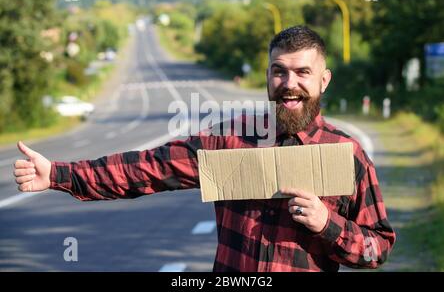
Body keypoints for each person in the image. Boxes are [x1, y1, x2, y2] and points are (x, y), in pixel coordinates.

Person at [13, 25, 395, 272]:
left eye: (302, 73)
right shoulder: (228, 141)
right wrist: (59, 175)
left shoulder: (347, 154)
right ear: (267, 76)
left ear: (324, 81)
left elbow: (378, 249)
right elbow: (145, 168)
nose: (288, 83)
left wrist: (327, 225)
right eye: (279, 71)